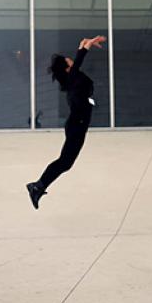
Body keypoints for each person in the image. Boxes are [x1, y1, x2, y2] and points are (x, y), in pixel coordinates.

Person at [26, 35, 106, 209]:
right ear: (67, 68)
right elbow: (78, 61)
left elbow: (78, 61)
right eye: (70, 62)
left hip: (77, 124)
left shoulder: (72, 79)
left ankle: (38, 186)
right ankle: (37, 186)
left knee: (66, 162)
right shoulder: (72, 78)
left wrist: (85, 44)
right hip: (77, 125)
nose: (72, 61)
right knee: (65, 162)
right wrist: (86, 46)